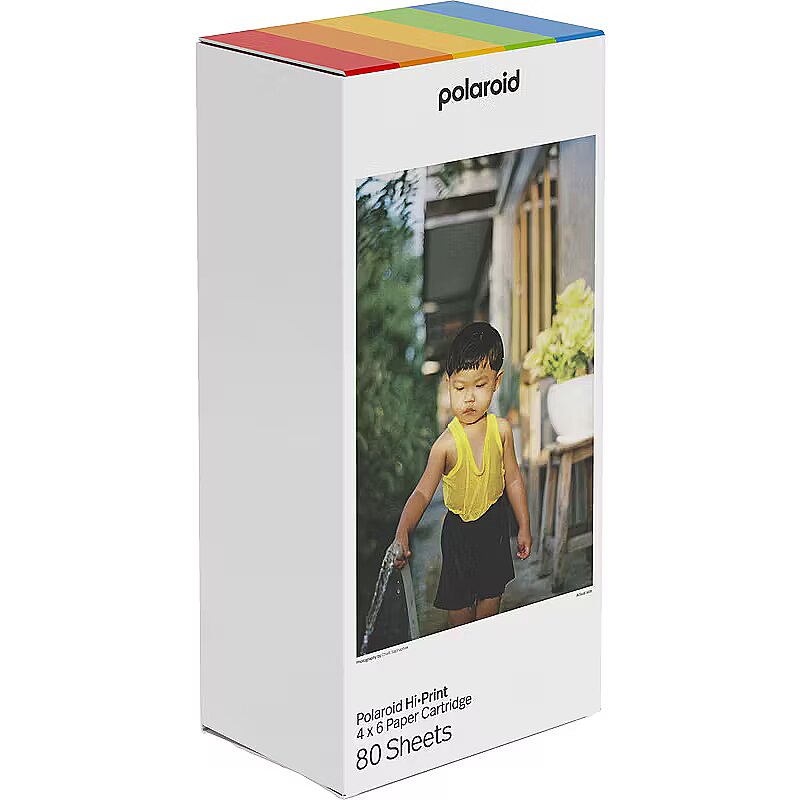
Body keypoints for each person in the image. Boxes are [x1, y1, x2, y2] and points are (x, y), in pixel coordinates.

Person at [393, 321, 532, 628]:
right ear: (449, 384)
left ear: (496, 381)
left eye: (479, 386)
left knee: (489, 608)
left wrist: (524, 526)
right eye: (460, 388)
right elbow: (422, 494)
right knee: (459, 618)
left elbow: (513, 480)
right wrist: (403, 531)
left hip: (495, 528)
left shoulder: (501, 432)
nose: (469, 397)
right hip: (458, 538)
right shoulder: (445, 446)